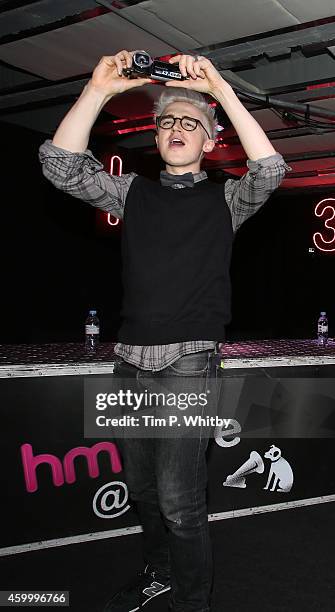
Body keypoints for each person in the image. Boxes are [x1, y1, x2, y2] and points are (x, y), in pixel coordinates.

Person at [38, 50, 292, 612]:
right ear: (156, 136)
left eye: (190, 123)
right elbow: (59, 164)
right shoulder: (134, 194)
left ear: (209, 140)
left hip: (188, 362)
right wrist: (100, 90)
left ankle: (192, 603)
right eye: (168, 121)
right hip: (129, 359)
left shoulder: (227, 200)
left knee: (181, 503)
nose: (177, 128)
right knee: (145, 493)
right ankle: (158, 575)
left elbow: (271, 169)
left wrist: (221, 91)